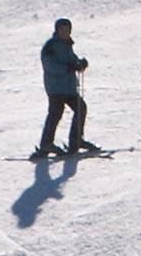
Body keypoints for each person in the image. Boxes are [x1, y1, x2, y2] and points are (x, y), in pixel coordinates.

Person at [35, 18, 98, 158]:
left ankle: (76, 140)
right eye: (62, 29)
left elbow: (72, 61)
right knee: (56, 114)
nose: (65, 32)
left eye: (67, 29)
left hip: (68, 87)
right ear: (57, 30)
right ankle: (46, 144)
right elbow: (50, 65)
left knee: (80, 108)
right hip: (56, 88)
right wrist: (69, 67)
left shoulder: (67, 45)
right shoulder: (51, 46)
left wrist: (80, 64)